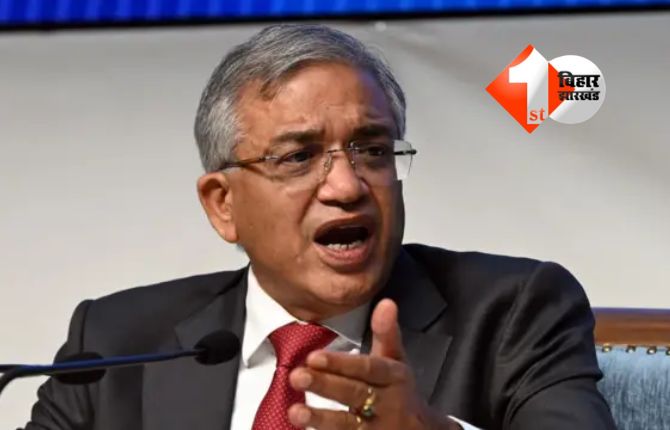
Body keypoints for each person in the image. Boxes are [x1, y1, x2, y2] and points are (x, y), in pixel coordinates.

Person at [23, 24, 616, 430]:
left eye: (373, 150)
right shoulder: (116, 343)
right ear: (223, 204)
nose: (347, 186)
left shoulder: (514, 313)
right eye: (299, 157)